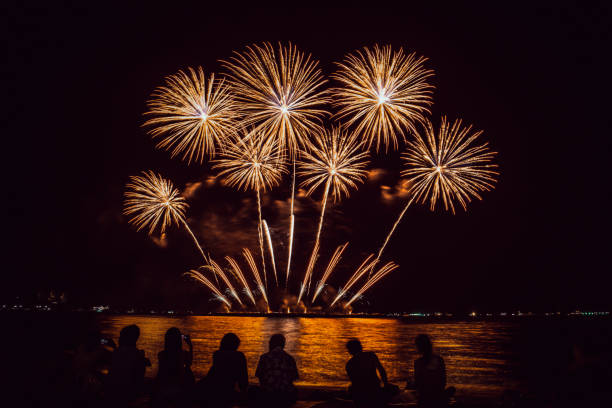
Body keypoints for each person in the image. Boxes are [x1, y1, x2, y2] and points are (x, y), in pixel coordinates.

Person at [198, 333, 248, 407]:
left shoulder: (217, 354)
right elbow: (243, 379)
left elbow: (213, 374)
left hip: (212, 389)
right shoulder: (239, 356)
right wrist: (244, 392)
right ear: (235, 345)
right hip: (227, 391)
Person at [107, 324, 151, 404]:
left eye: (121, 336)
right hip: (131, 392)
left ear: (125, 338)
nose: (119, 338)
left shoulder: (118, 352)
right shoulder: (138, 354)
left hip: (118, 392)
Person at [153, 327, 195, 407]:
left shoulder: (161, 354)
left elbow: (160, 373)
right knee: (188, 371)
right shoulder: (183, 354)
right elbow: (189, 364)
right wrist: (190, 345)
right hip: (179, 386)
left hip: (164, 385)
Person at [254, 333, 298, 407]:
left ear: (271, 344)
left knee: (253, 390)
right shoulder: (289, 358)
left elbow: (260, 376)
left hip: (267, 394)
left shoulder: (264, 357)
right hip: (284, 395)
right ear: (283, 345)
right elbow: (293, 378)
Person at [345, 338, 389, 408]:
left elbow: (354, 382)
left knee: (350, 388)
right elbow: (381, 371)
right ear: (361, 347)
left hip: (361, 392)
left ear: (350, 351)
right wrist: (386, 384)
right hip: (375, 388)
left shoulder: (349, 364)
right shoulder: (371, 355)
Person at [413, 334, 446, 408]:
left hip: (424, 398)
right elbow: (443, 381)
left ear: (419, 347)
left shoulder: (418, 362)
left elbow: (418, 383)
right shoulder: (439, 360)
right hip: (437, 394)